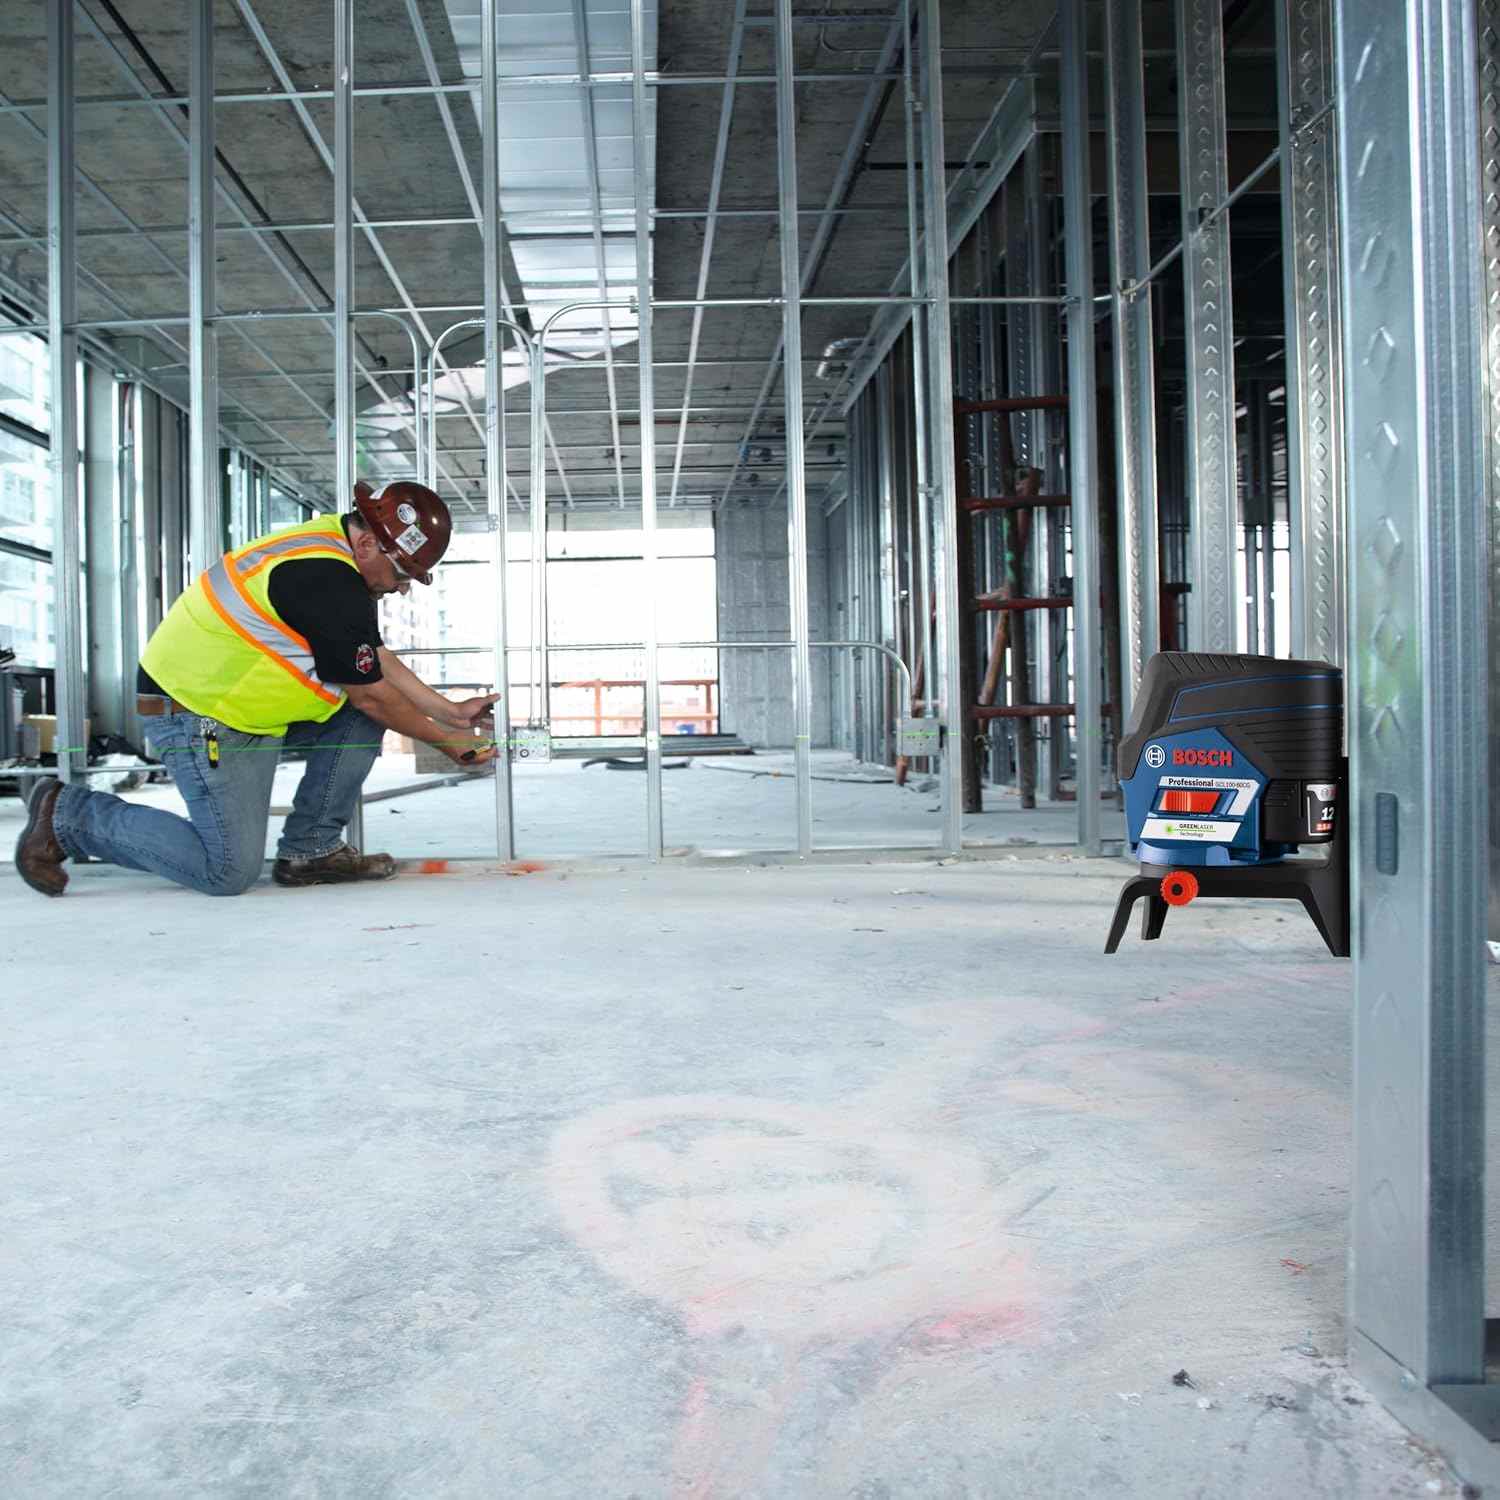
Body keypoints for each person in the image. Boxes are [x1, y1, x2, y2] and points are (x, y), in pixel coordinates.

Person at [14, 480, 497, 898]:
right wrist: (451, 745)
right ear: (368, 543)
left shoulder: (333, 549)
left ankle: (312, 851)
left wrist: (450, 712)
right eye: (400, 574)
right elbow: (371, 694)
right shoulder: (327, 578)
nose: (399, 588)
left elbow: (371, 656)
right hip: (196, 714)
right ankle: (71, 814)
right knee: (225, 870)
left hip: (241, 709)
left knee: (361, 712)